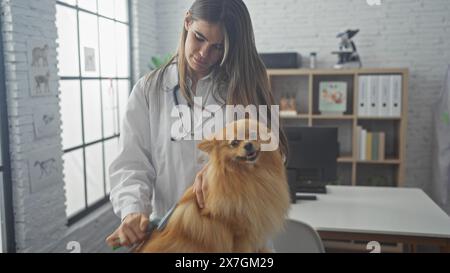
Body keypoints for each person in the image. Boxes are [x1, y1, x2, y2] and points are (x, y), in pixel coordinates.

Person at [105, 0, 288, 250]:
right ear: (187, 21)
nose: (204, 54)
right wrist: (132, 210)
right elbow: (131, 163)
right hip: (178, 236)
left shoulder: (245, 88)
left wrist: (220, 167)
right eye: (199, 37)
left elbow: (274, 156)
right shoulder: (149, 90)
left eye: (218, 47)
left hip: (240, 238)